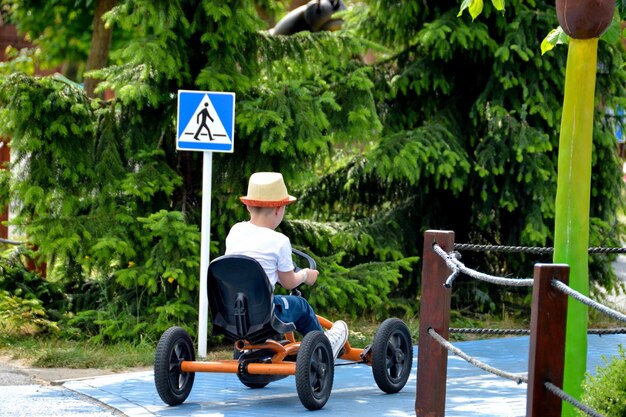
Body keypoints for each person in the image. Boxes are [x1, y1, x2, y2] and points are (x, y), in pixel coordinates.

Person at [225, 172, 348, 359]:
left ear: (248, 206)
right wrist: (306, 275)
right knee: (301, 305)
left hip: (231, 312)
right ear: (278, 209)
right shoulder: (279, 241)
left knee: (273, 301)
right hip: (265, 315)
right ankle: (325, 345)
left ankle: (258, 350)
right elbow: (289, 282)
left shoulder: (236, 231)